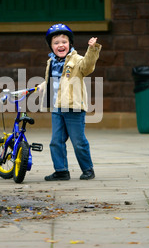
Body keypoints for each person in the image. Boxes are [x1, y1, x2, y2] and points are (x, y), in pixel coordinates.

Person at [37, 24, 102, 181]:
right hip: (57, 107)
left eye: (64, 42)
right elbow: (52, 81)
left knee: (78, 141)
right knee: (56, 141)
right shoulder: (51, 62)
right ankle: (61, 171)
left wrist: (92, 50)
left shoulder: (77, 60)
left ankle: (88, 169)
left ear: (70, 44)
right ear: (51, 46)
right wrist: (42, 86)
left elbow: (88, 66)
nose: (60, 45)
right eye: (56, 42)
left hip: (73, 107)